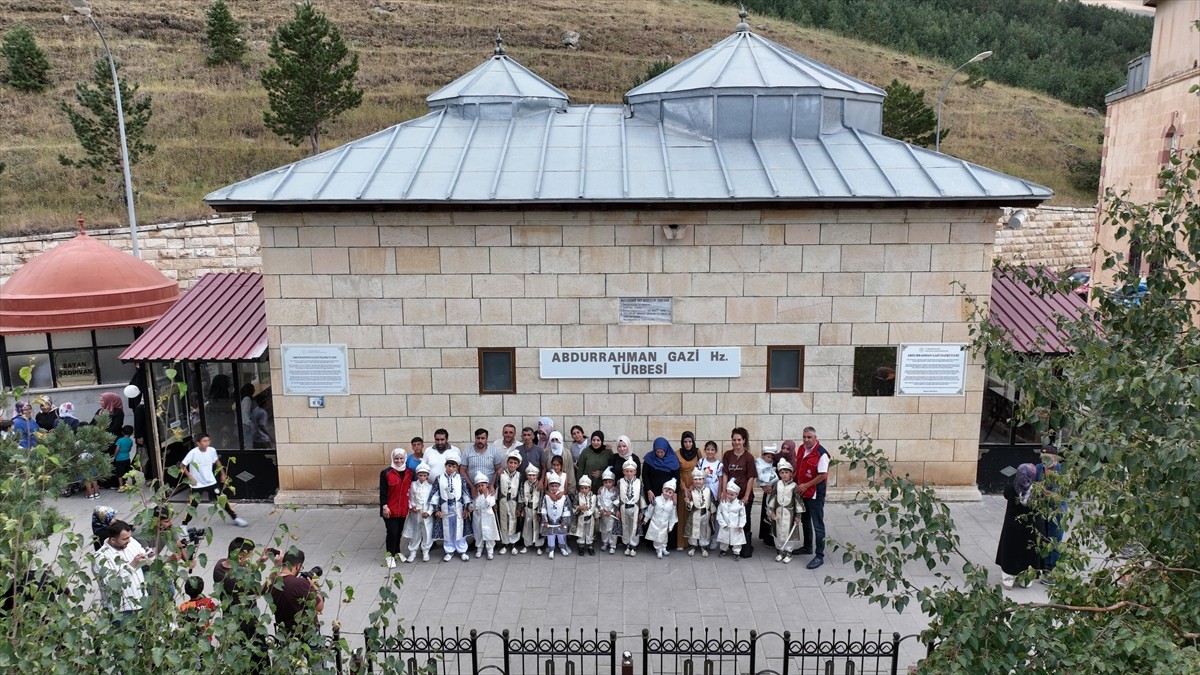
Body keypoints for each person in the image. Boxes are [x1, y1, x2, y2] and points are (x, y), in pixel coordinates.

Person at [180, 434, 248, 527]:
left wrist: (223, 474)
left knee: (222, 499)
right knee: (193, 506)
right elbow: (182, 465)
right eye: (204, 441)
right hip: (197, 484)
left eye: (208, 440)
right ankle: (184, 525)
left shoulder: (212, 451)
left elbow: (217, 461)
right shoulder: (193, 453)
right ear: (198, 443)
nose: (207, 443)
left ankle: (235, 518)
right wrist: (190, 477)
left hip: (211, 482)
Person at [996, 463, 1042, 589]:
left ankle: (1008, 579)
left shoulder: (1011, 488)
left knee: (1011, 550)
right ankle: (1026, 580)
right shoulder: (1037, 491)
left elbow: (1007, 495)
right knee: (1029, 552)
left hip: (1013, 527)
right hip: (1031, 528)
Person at [94, 519, 148, 622]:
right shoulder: (101, 557)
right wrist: (132, 565)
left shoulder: (130, 543)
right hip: (122, 610)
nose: (129, 541)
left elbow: (143, 553)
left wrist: (148, 555)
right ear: (113, 540)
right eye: (125, 539)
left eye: (129, 537)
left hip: (141, 602)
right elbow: (111, 583)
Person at [269, 547, 324, 640]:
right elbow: (319, 607)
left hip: (283, 635)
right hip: (306, 635)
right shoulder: (301, 584)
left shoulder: (272, 583)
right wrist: (314, 586)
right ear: (298, 566)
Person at [797, 427, 830, 569]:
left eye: (809, 437)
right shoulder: (801, 449)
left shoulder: (822, 454)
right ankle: (807, 546)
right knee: (805, 521)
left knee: (818, 525)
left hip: (815, 495)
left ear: (815, 437)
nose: (806, 440)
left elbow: (822, 475)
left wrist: (806, 485)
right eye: (804, 437)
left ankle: (820, 555)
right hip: (802, 493)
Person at [720, 428, 756, 546]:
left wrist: (746, 496)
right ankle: (731, 544)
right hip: (730, 495)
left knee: (744, 520)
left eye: (739, 440)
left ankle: (745, 545)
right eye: (734, 440)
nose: (737, 442)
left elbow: (751, 477)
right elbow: (725, 474)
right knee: (729, 519)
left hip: (743, 495)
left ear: (744, 440)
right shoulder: (727, 455)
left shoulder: (749, 457)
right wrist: (724, 491)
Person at [433, 449, 471, 562]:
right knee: (448, 530)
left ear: (457, 467)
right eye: (449, 466)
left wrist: (466, 508)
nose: (451, 468)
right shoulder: (439, 479)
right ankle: (449, 550)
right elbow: (435, 494)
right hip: (445, 507)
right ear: (445, 465)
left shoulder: (461, 478)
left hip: (458, 507)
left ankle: (462, 549)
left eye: (454, 466)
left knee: (459, 528)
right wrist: (436, 509)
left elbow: (465, 493)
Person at [379, 448, 412, 568]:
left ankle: (397, 553)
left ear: (405, 459)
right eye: (396, 458)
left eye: (401, 458)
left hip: (403, 509)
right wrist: (384, 506)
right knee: (392, 532)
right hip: (389, 509)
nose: (399, 461)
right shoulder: (386, 473)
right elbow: (383, 492)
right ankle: (389, 556)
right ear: (393, 459)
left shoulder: (409, 473)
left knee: (399, 532)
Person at [767, 459, 804, 564]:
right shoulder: (777, 485)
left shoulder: (794, 486)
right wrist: (772, 511)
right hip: (778, 513)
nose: (784, 475)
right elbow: (773, 499)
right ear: (779, 474)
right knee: (778, 532)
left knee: (789, 533)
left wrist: (798, 515)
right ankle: (780, 551)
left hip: (790, 515)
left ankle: (788, 552)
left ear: (791, 473)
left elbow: (798, 501)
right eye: (782, 472)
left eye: (786, 472)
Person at [402, 463, 436, 563]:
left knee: (427, 532)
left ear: (427, 476)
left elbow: (433, 501)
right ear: (417, 475)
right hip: (415, 513)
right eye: (420, 475)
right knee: (415, 532)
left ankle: (426, 550)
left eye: (424, 475)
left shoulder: (430, 487)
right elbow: (409, 497)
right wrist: (411, 507)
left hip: (425, 514)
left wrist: (429, 512)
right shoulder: (413, 485)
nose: (422, 477)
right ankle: (413, 551)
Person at [675, 431, 701, 550]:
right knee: (683, 513)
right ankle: (682, 542)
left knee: (695, 512)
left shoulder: (697, 452)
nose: (688, 444)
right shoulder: (678, 453)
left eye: (690, 441)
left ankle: (694, 542)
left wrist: (693, 486)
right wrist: (684, 487)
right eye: (685, 442)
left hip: (696, 484)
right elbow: (676, 472)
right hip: (683, 486)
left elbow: (701, 468)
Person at [643, 477, 679, 559]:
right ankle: (658, 550)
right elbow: (650, 510)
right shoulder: (657, 500)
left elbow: (673, 515)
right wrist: (646, 519)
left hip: (665, 523)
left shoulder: (672, 504)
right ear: (662, 490)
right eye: (666, 491)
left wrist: (671, 526)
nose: (667, 494)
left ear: (673, 494)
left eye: (670, 492)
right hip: (655, 522)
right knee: (657, 537)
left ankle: (663, 548)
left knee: (664, 537)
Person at [495, 450, 523, 555]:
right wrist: (495, 502)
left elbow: (521, 491)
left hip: (513, 502)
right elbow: (496, 488)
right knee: (503, 522)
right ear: (507, 462)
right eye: (511, 462)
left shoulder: (519, 476)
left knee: (513, 521)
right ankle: (505, 543)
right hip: (502, 501)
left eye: (515, 463)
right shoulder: (501, 474)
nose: (512, 465)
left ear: (518, 465)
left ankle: (513, 544)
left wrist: (519, 507)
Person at [540, 472, 572, 559]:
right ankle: (551, 550)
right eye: (552, 486)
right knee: (551, 535)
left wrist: (564, 520)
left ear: (559, 486)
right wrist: (545, 520)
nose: (554, 488)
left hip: (560, 521)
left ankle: (562, 548)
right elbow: (543, 509)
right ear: (549, 486)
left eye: (556, 486)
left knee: (561, 535)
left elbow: (566, 510)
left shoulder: (563, 497)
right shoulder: (546, 497)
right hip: (550, 521)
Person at [617, 457, 645, 556]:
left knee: (634, 527)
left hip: (635, 507)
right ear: (624, 472)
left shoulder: (639, 482)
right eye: (627, 471)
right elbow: (617, 497)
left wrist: (642, 511)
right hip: (624, 507)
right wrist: (617, 510)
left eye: (631, 471)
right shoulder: (620, 482)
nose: (629, 473)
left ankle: (633, 545)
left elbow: (642, 496)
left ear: (635, 472)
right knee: (625, 526)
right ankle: (627, 544)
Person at [683, 468, 713, 557]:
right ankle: (693, 546)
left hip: (705, 514)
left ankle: (704, 546)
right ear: (693, 480)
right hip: (695, 513)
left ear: (703, 480)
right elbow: (690, 504)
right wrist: (688, 502)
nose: (698, 481)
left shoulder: (708, 490)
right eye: (695, 479)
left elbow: (712, 502)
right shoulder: (691, 492)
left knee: (704, 531)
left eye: (700, 479)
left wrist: (712, 514)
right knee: (694, 531)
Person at [463, 428, 502, 497]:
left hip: (489, 489)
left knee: (489, 506)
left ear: (486, 439)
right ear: (475, 438)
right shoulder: (467, 450)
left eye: (483, 438)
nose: (480, 440)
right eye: (478, 438)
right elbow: (462, 471)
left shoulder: (494, 450)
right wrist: (472, 487)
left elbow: (498, 470)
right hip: (473, 489)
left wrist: (492, 485)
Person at [715, 481, 747, 559]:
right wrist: (722, 523)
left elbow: (742, 516)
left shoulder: (740, 504)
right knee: (724, 539)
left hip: (735, 525)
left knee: (737, 540)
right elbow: (719, 514)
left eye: (732, 494)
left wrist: (741, 525)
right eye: (728, 494)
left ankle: (736, 552)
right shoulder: (723, 503)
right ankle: (723, 549)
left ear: (737, 494)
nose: (729, 496)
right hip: (725, 525)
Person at [756, 444, 780, 549]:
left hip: (776, 492)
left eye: (771, 457)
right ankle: (767, 537)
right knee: (768, 512)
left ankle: (774, 537)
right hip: (768, 491)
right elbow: (761, 476)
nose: (769, 459)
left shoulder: (774, 464)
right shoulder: (760, 463)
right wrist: (765, 485)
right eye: (768, 457)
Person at [471, 472, 500, 559]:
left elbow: (489, 504)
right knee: (478, 533)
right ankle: (479, 548)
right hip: (478, 517)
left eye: (482, 485)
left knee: (489, 533)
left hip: (488, 518)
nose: (481, 488)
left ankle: (490, 550)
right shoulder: (476, 495)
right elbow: (473, 505)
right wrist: (471, 507)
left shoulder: (490, 495)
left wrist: (486, 495)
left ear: (487, 485)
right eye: (479, 486)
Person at [517, 465, 544, 554]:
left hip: (536, 509)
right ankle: (527, 544)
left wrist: (540, 512)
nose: (531, 477)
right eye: (529, 475)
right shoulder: (524, 484)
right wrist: (521, 509)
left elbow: (541, 498)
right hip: (527, 508)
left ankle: (539, 546)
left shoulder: (539, 485)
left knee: (537, 527)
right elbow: (521, 496)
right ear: (526, 475)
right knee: (527, 526)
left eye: (533, 475)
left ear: (537, 475)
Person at [571, 475, 597, 556]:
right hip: (581, 518)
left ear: (590, 488)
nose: (584, 490)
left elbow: (595, 507)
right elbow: (573, 507)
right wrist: (580, 507)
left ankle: (590, 545)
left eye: (586, 488)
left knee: (589, 532)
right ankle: (581, 546)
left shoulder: (593, 496)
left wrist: (596, 515)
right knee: (581, 532)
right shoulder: (577, 496)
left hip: (590, 517)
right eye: (582, 488)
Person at [596, 468, 620, 555]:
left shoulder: (615, 491)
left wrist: (612, 511)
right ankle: (605, 543)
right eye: (605, 482)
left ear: (613, 482)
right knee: (604, 529)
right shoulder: (601, 490)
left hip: (611, 514)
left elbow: (617, 502)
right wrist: (601, 508)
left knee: (612, 530)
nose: (608, 484)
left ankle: (613, 545)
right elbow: (599, 500)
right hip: (603, 514)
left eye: (610, 482)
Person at [113, 425, 135, 490]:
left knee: (119, 474)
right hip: (127, 458)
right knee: (128, 470)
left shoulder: (120, 440)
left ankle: (121, 486)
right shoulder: (130, 441)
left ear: (122, 432)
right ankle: (134, 480)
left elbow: (117, 449)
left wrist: (114, 455)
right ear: (131, 433)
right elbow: (129, 449)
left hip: (119, 459)